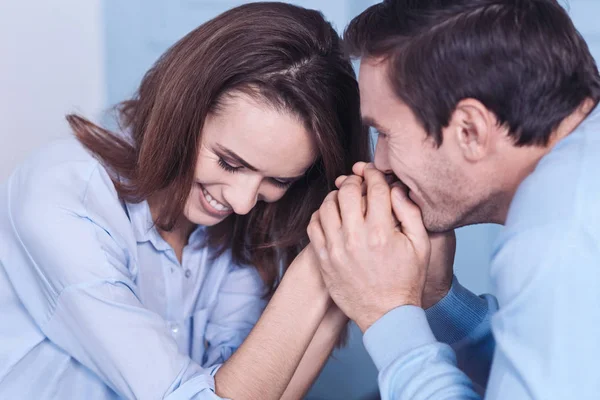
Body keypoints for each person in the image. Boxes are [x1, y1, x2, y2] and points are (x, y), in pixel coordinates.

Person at [0, 3, 371, 399]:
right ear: (184, 110)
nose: (244, 202)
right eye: (229, 162)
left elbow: (256, 389)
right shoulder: (63, 195)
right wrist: (316, 267)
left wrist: (339, 280)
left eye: (278, 180)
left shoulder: (237, 234)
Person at [308, 0, 600, 398]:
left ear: (470, 131)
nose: (381, 164)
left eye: (386, 134)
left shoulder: (557, 235)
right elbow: (551, 374)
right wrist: (438, 298)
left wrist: (388, 313)